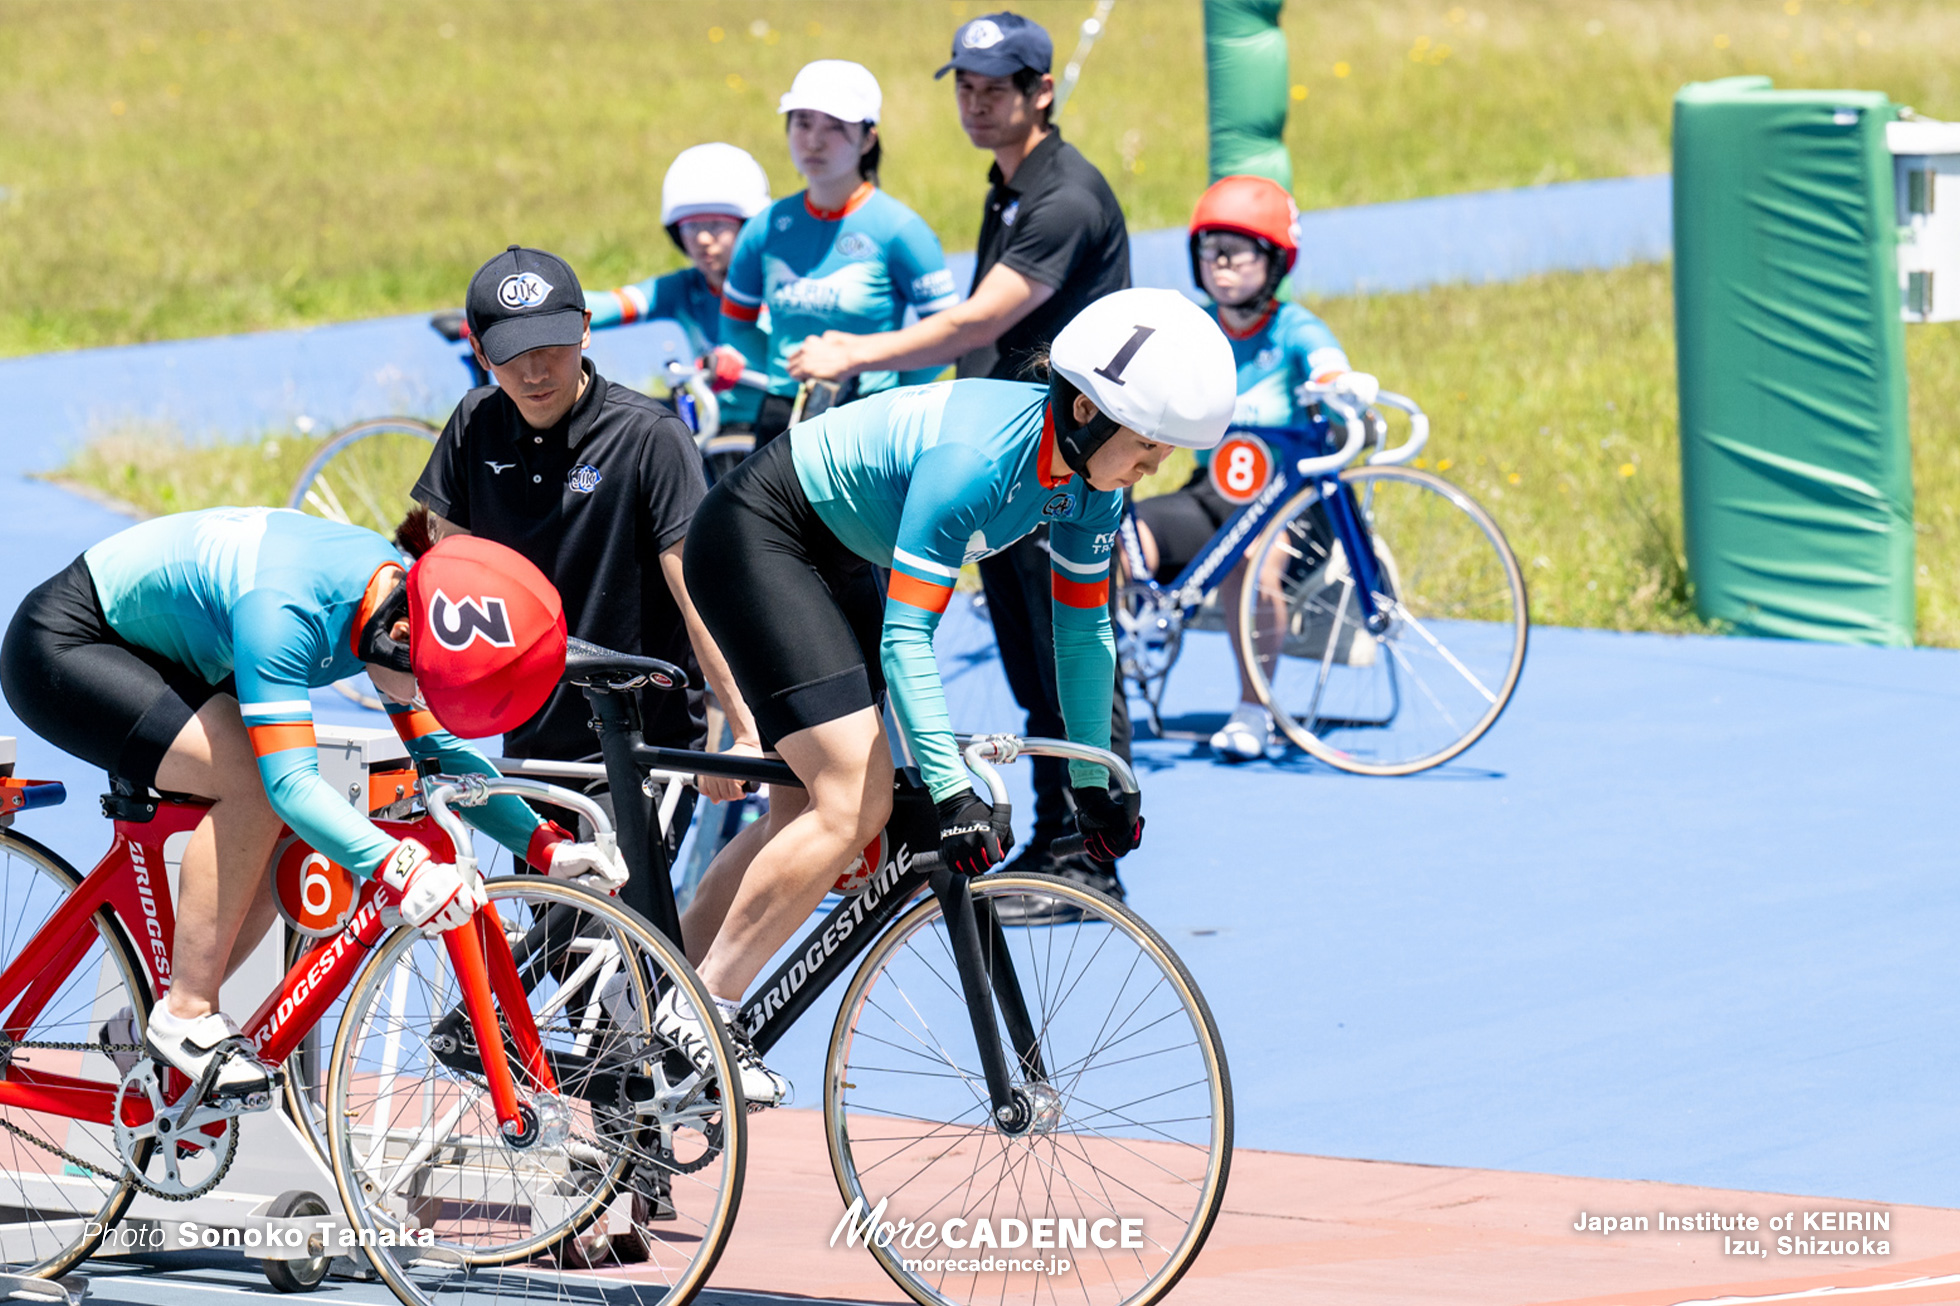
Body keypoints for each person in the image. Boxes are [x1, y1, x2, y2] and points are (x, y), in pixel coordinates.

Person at [669, 288, 1238, 1104]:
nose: (1153, 470)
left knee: (802, 820)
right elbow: (908, 640)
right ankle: (708, 1010)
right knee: (849, 802)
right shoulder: (977, 461)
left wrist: (1095, 780)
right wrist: (952, 791)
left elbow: (1083, 638)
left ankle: (652, 989)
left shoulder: (1090, 484)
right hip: (764, 533)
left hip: (835, 549)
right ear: (1085, 411)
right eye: (1148, 448)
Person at [0, 511, 623, 1101]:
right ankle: (184, 1013)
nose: (424, 700)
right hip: (66, 643)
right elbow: (290, 786)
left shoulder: (395, 600)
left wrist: (545, 846)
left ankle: (144, 1028)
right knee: (253, 785)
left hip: (164, 651)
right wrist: (399, 866)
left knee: (282, 835)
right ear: (403, 635)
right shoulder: (288, 614)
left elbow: (438, 753)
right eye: (430, 684)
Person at [786, 12, 1134, 910]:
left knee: (1072, 648)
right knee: (1029, 656)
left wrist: (853, 355)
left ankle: (1087, 853)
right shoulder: (1010, 183)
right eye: (966, 89)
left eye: (997, 90)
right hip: (1007, 456)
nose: (977, 106)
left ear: (1040, 93)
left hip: (1061, 458)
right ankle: (1062, 842)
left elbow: (979, 322)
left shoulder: (1063, 199)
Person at [411, 246, 761, 930]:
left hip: (638, 744)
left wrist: (742, 733)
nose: (537, 370)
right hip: (531, 741)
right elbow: (442, 576)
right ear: (480, 352)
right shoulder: (475, 424)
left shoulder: (649, 436)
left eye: (553, 346)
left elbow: (698, 599)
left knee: (613, 941)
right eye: (513, 353)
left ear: (587, 330)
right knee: (566, 961)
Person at [1131, 175, 1380, 761]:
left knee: (1251, 562)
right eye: (1208, 248)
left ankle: (1253, 708)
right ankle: (1105, 693)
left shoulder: (1293, 328)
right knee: (1120, 539)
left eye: (1235, 250)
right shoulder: (1195, 325)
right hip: (1213, 493)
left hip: (1288, 507)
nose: (1218, 262)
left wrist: (1339, 383)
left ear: (1273, 260)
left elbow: (1326, 367)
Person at [718, 59, 960, 444]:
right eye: (802, 122)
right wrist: (785, 376)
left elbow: (950, 338)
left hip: (871, 418)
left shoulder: (900, 230)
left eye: (834, 127)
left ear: (868, 138)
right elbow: (734, 324)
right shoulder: (765, 226)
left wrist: (892, 388)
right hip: (780, 418)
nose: (813, 140)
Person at [585, 143, 772, 432]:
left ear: (748, 228)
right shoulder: (683, 288)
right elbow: (607, 306)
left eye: (716, 224)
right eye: (691, 227)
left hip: (784, 427)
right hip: (720, 433)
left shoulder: (779, 285)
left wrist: (739, 358)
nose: (703, 240)